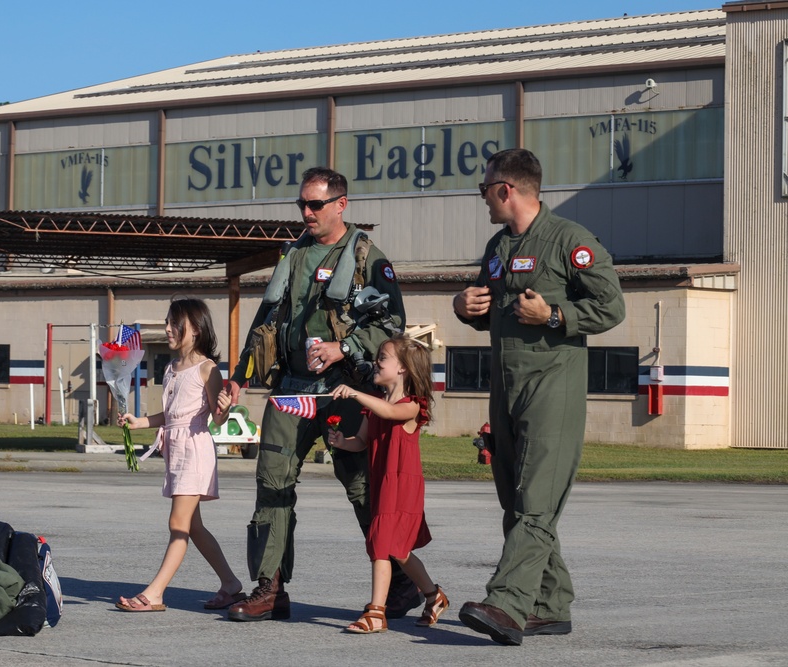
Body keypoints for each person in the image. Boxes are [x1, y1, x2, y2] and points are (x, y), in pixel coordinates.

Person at [222, 166, 420, 622]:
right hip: (290, 391)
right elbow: (263, 321)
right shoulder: (292, 255)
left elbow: (394, 327)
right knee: (271, 485)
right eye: (302, 205)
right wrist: (240, 376)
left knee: (362, 491)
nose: (307, 213)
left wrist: (344, 347)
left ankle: (403, 585)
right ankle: (270, 588)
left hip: (345, 393)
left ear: (340, 204)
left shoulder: (369, 257)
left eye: (315, 204)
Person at [452, 148, 625, 645]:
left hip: (553, 387)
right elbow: (492, 309)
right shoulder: (497, 246)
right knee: (517, 503)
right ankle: (549, 606)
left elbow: (610, 306)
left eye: (484, 189)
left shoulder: (570, 240)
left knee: (535, 505)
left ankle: (506, 604)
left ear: (506, 189)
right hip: (506, 388)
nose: (482, 198)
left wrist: (554, 316)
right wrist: (466, 307)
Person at [115, 298, 246, 613]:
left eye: (175, 324)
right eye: (167, 322)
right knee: (194, 526)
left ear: (196, 329)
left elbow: (216, 419)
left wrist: (225, 410)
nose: (168, 329)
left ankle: (155, 593)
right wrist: (140, 422)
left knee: (178, 523)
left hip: (195, 451)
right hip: (175, 451)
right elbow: (171, 415)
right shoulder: (171, 368)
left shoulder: (207, 369)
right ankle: (231, 585)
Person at [328, 336, 448, 634]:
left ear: (403, 369)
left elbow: (392, 413)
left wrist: (355, 394)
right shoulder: (375, 407)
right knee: (399, 551)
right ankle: (434, 596)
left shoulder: (411, 407)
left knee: (382, 544)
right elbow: (362, 442)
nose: (376, 362)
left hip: (403, 486)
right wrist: (344, 442)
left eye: (383, 357)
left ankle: (375, 612)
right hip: (382, 484)